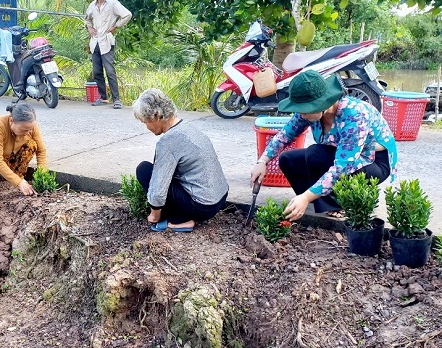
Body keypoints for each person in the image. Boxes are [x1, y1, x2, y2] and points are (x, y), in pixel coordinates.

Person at [250, 71, 397, 221]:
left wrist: (306, 197)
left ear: (322, 104)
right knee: (288, 159)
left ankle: (336, 204)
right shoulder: (307, 113)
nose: (300, 115)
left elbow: (343, 166)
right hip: (339, 155)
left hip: (372, 163)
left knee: (316, 154)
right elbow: (285, 135)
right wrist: (262, 161)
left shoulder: (354, 115)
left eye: (304, 110)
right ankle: (315, 199)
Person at [134, 89, 229, 232]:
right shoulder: (188, 128)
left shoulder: (168, 142)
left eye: (145, 122)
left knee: (144, 170)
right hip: (220, 198)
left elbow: (158, 190)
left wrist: (155, 215)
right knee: (159, 169)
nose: (147, 127)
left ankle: (180, 220)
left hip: (203, 207)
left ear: (156, 116)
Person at [0, 103, 47, 195]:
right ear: (11, 121)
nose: (28, 132)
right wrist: (18, 182)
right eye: (23, 130)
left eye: (30, 129)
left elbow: (41, 150)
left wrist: (42, 174)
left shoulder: (30, 126)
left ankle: (18, 175)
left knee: (32, 145)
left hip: (11, 160)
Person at [84, 0, 132, 109]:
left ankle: (116, 99)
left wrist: (115, 26)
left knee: (110, 70)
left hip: (107, 41)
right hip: (95, 42)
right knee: (97, 71)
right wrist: (89, 27)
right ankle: (103, 97)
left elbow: (127, 15)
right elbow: (87, 19)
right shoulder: (92, 6)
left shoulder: (112, 3)